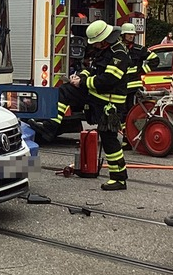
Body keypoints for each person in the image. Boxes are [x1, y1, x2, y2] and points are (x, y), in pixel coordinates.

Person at [29, 20, 130, 191]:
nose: (95, 45)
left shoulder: (119, 54)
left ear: (104, 39)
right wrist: (79, 77)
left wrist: (83, 83)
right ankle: (50, 126)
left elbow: (107, 80)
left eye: (96, 42)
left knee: (109, 139)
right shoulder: (103, 50)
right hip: (96, 97)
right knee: (65, 91)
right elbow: (92, 69)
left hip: (110, 103)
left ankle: (119, 178)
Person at [118, 22, 157, 131]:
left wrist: (142, 71)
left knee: (132, 111)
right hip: (121, 87)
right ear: (123, 35)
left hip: (134, 87)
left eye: (133, 34)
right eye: (128, 34)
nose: (131, 36)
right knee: (122, 112)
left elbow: (155, 59)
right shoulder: (117, 49)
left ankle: (129, 136)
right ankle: (126, 134)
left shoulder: (139, 49)